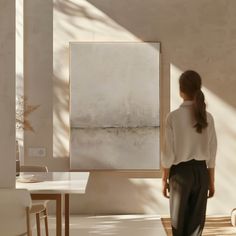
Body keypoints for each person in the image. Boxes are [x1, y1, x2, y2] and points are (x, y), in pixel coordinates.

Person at [162, 70, 217, 236]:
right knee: (196, 227)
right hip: (201, 173)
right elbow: (212, 153)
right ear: (198, 89)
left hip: (180, 175)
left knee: (178, 226)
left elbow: (168, 154)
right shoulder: (208, 117)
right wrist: (211, 181)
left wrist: (164, 179)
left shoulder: (173, 117)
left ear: (180, 91)